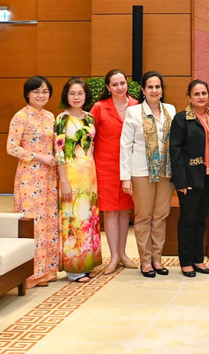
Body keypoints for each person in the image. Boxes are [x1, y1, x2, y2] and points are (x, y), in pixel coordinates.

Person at [120, 71, 176, 278]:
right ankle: (145, 261)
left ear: (162, 90)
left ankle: (157, 259)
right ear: (143, 90)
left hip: (166, 172)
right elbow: (125, 146)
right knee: (144, 217)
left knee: (161, 216)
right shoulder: (133, 112)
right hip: (141, 172)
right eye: (150, 87)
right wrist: (125, 177)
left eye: (158, 87)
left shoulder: (170, 109)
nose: (155, 91)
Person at [6, 76, 59, 289]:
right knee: (33, 223)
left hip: (49, 177)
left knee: (49, 222)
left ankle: (47, 270)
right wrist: (39, 157)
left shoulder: (50, 117)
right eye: (36, 91)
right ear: (27, 94)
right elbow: (11, 147)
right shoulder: (20, 116)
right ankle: (32, 273)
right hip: (30, 177)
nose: (41, 95)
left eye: (45, 91)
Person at [170, 80, 209, 278]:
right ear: (189, 97)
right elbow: (175, 152)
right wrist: (180, 182)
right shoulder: (181, 119)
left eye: (204, 93)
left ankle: (199, 260)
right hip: (190, 178)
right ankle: (186, 262)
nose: (201, 97)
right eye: (196, 94)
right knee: (187, 220)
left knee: (201, 220)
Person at [55, 78, 102, 283]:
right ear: (66, 96)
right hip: (71, 176)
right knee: (73, 220)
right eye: (72, 93)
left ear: (86, 96)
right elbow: (59, 153)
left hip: (89, 175)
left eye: (80, 94)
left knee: (89, 219)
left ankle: (88, 263)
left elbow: (91, 148)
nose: (76, 97)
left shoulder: (90, 118)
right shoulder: (62, 119)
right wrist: (63, 180)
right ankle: (74, 269)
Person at [90, 69, 138, 274]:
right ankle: (114, 256)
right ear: (108, 87)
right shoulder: (99, 108)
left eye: (122, 83)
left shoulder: (136, 106)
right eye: (115, 84)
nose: (120, 87)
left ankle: (123, 253)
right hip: (106, 167)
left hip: (130, 167)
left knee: (125, 210)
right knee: (110, 211)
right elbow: (88, 138)